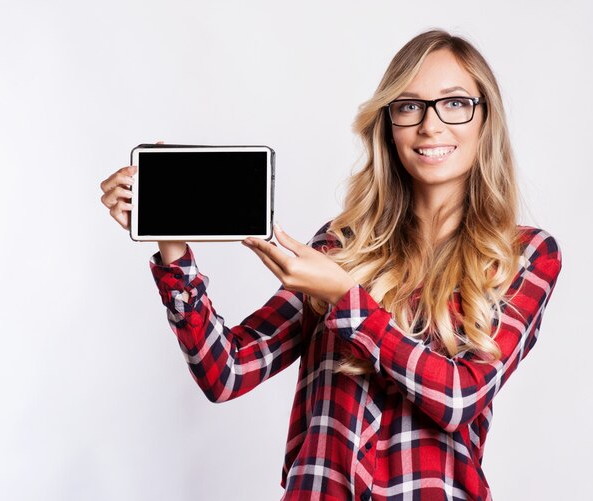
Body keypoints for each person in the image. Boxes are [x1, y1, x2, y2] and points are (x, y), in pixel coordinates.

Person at [100, 29, 562, 501]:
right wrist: (172, 246)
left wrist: (346, 300)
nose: (431, 125)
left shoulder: (524, 255)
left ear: (486, 118)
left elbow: (459, 398)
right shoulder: (340, 247)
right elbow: (227, 372)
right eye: (409, 106)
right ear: (388, 124)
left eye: (455, 102)